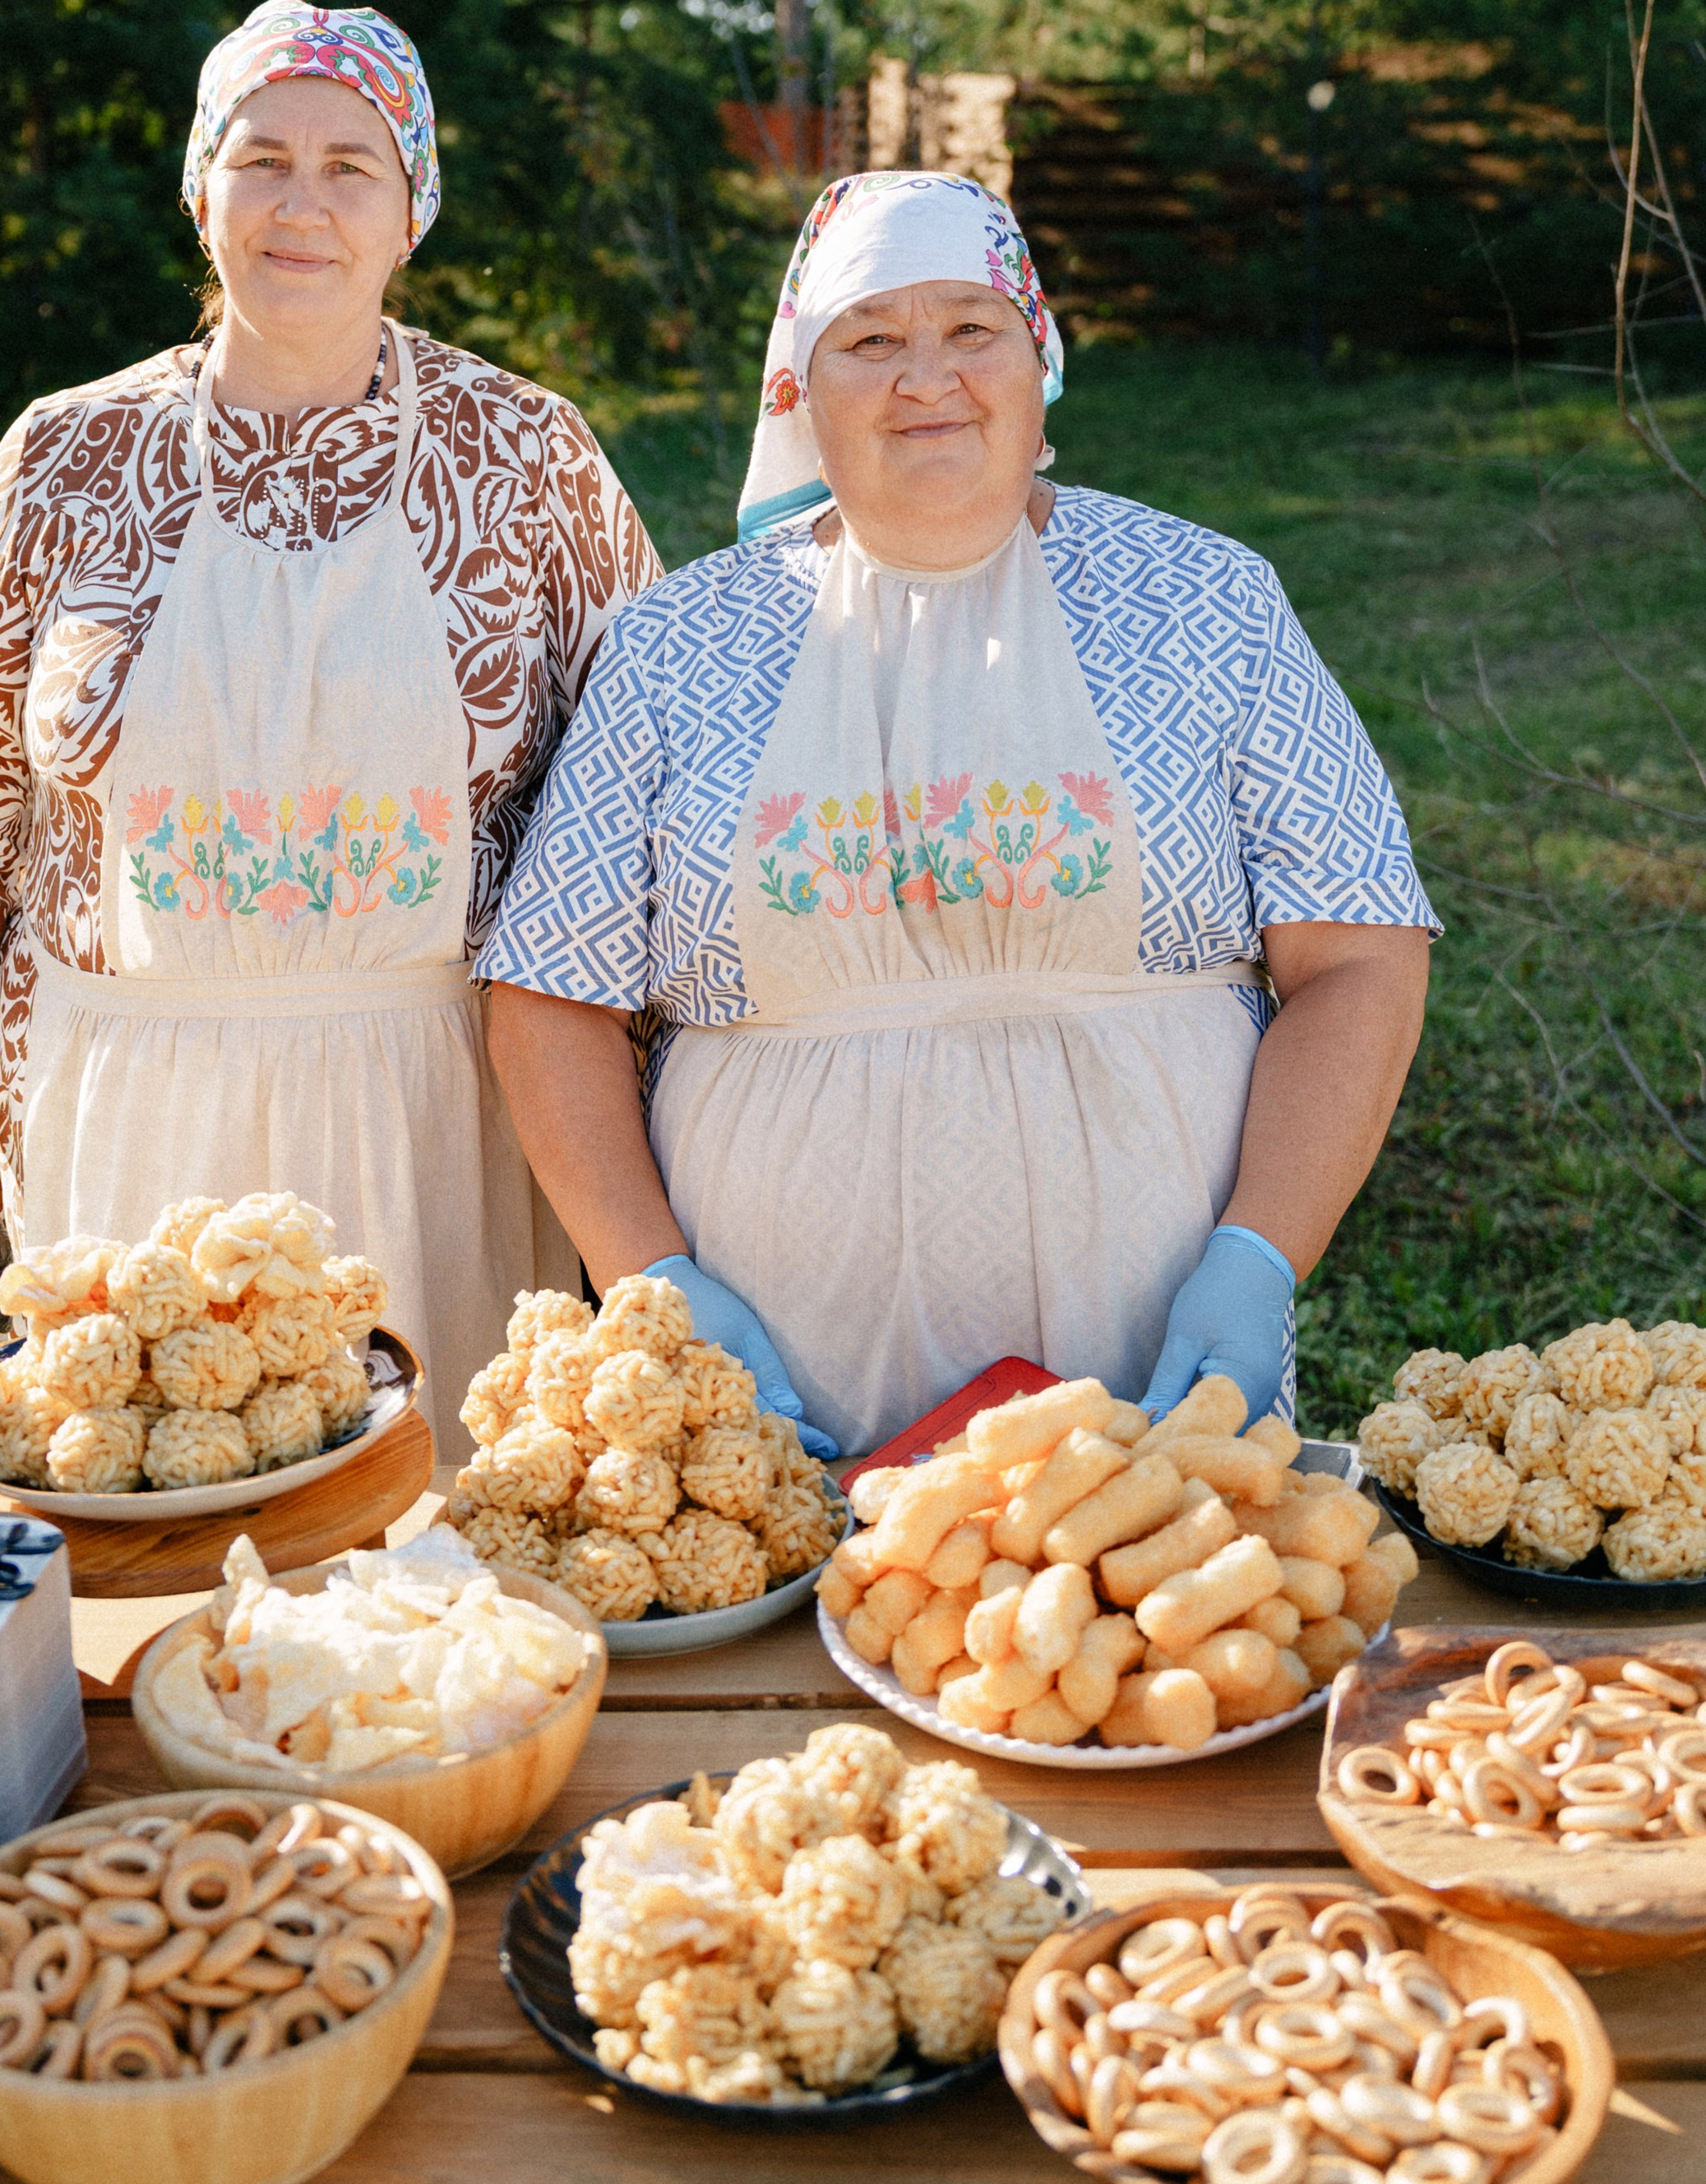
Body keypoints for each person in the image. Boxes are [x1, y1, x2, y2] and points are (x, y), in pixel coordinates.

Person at [480, 169, 1433, 1456]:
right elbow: (550, 996)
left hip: (1149, 1356)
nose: (927, 377)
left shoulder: (1207, 602)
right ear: (801, 396)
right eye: (871, 340)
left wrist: (1260, 1256)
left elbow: (1361, 952)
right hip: (780, 1368)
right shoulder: (677, 645)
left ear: (1038, 360)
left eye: (972, 329)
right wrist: (649, 1275)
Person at [0, 0, 658, 1423]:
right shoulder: (66, 459)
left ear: (413, 208)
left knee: (436, 1586)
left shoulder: (528, 458)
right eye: (262, 159)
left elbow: (641, 812)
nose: (305, 205)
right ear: (200, 188)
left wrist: (633, 1191)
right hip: (122, 1130)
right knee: (152, 1573)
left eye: (353, 165)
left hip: (444, 1125)